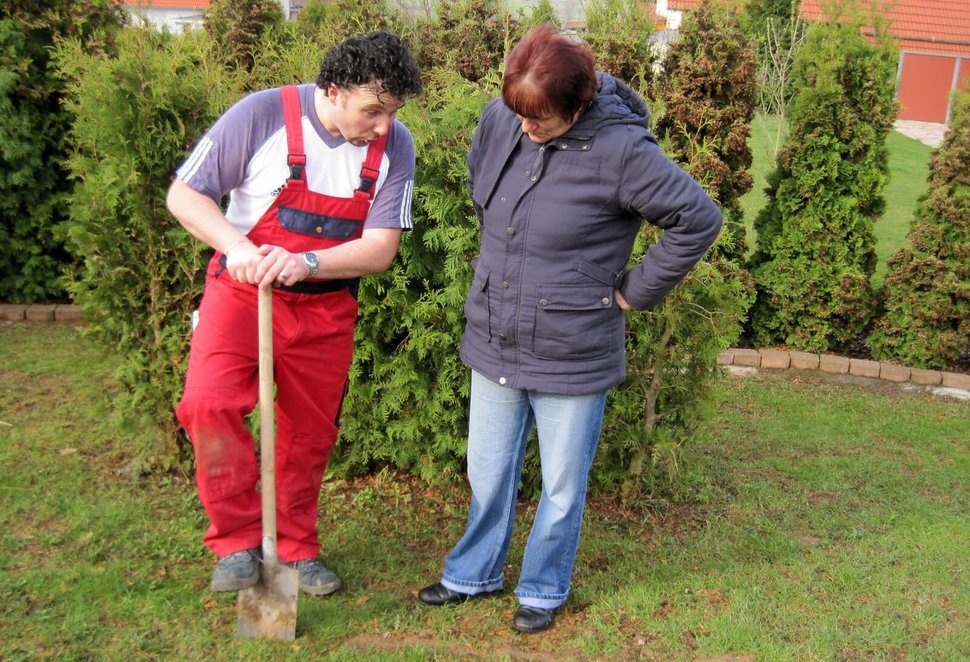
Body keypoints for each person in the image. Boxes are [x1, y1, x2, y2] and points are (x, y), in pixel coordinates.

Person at [417, 25, 722, 633]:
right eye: (519, 116)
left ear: (579, 104)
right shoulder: (506, 119)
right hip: (496, 330)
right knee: (488, 468)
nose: (525, 129)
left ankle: (542, 587)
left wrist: (634, 291)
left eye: (541, 121)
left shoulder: (623, 152)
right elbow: (484, 184)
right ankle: (473, 573)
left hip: (573, 346)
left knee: (560, 484)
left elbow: (697, 218)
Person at [167, 32, 422, 596]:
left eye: (392, 113)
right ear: (332, 91)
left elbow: (380, 249)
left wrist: (306, 260)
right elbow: (185, 196)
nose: (383, 126)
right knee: (206, 405)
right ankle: (236, 540)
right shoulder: (260, 116)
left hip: (325, 311)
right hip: (240, 297)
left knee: (308, 435)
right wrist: (235, 247)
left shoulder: (394, 148)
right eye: (372, 111)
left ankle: (292, 547)